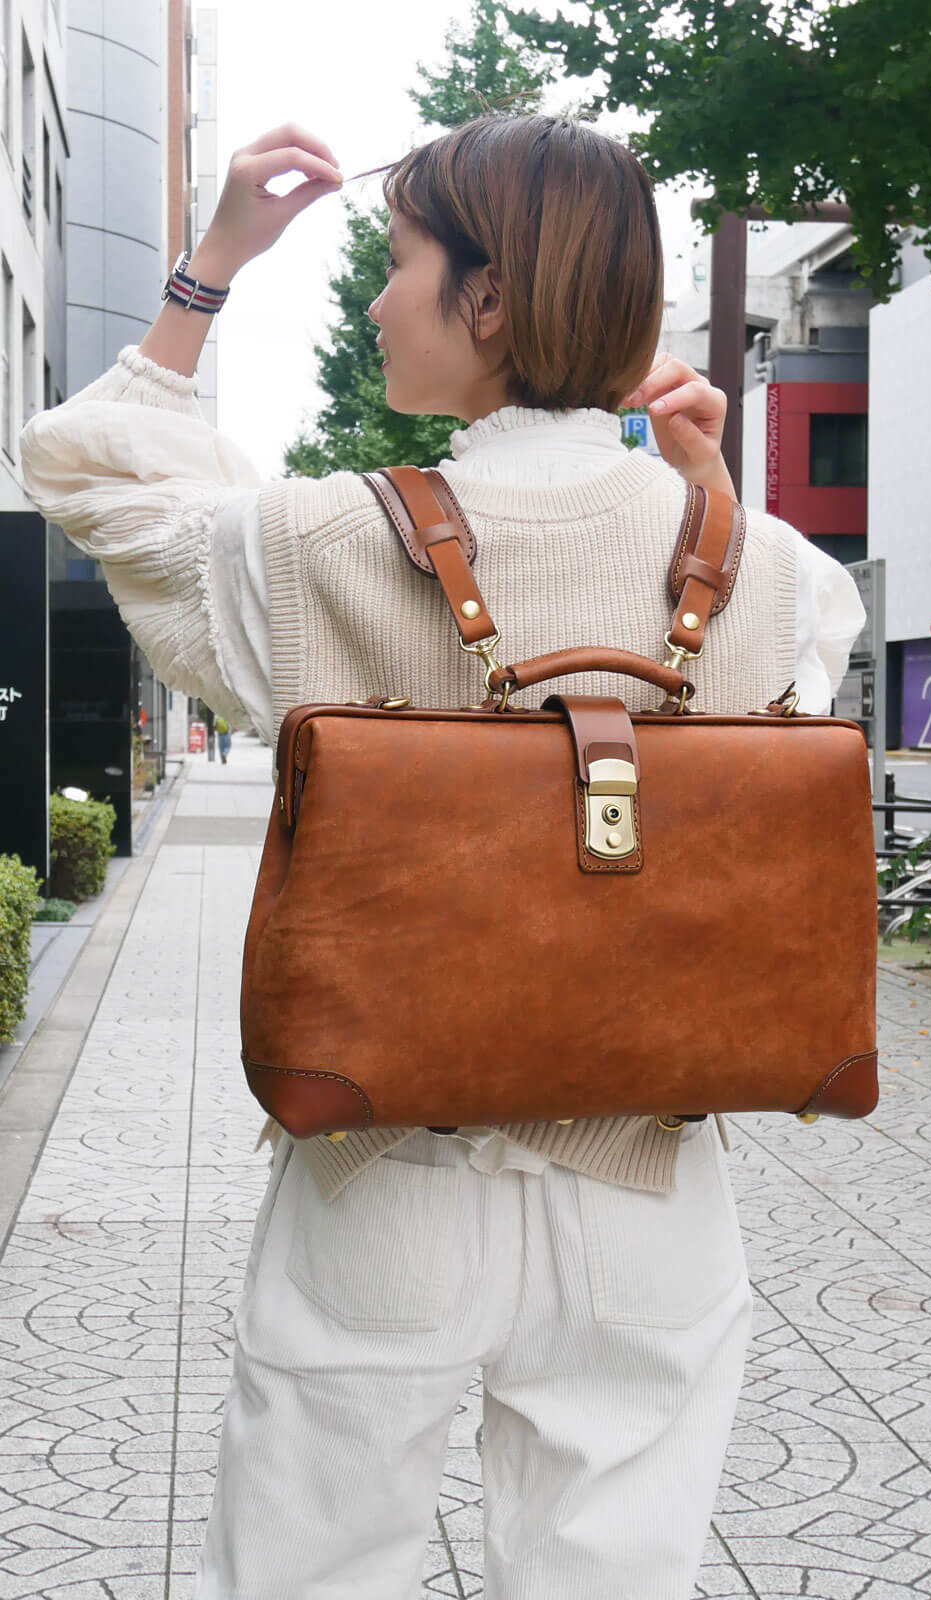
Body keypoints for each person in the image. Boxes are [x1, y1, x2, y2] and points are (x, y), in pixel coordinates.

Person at [19, 116, 866, 1599]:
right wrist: (711, 497)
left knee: (306, 1571)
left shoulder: (305, 546)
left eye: (398, 262)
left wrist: (213, 267)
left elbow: (89, 472)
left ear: (488, 298)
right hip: (652, 1189)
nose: (372, 300)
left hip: (382, 1171)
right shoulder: (781, 573)